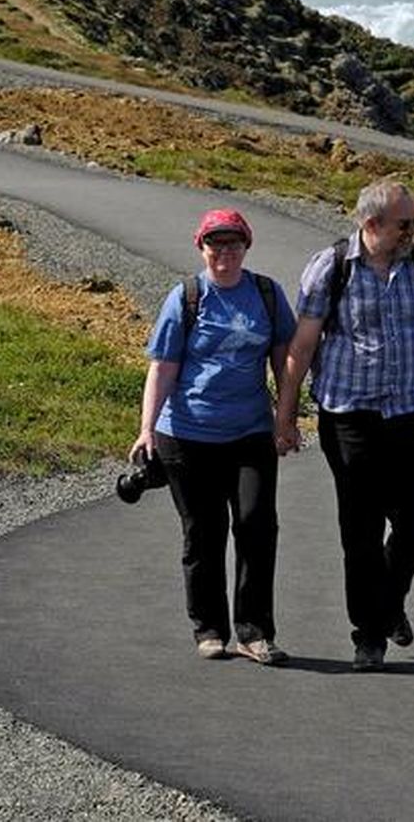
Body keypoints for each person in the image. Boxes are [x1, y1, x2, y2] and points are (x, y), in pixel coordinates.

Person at [276, 179, 414, 671]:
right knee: (360, 530)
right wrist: (284, 413)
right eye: (405, 224)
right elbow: (302, 346)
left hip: (407, 414)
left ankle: (388, 603)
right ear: (371, 224)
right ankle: (369, 635)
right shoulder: (331, 268)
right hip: (348, 419)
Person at [131, 208, 297, 664]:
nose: (224, 252)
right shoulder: (185, 297)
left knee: (257, 525)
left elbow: (285, 358)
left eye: (233, 244)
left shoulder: (266, 294)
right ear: (201, 248)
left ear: (246, 247)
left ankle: (254, 631)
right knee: (203, 533)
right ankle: (209, 629)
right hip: (186, 434)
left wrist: (286, 418)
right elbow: (162, 367)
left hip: (250, 432)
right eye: (214, 244)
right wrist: (146, 430)